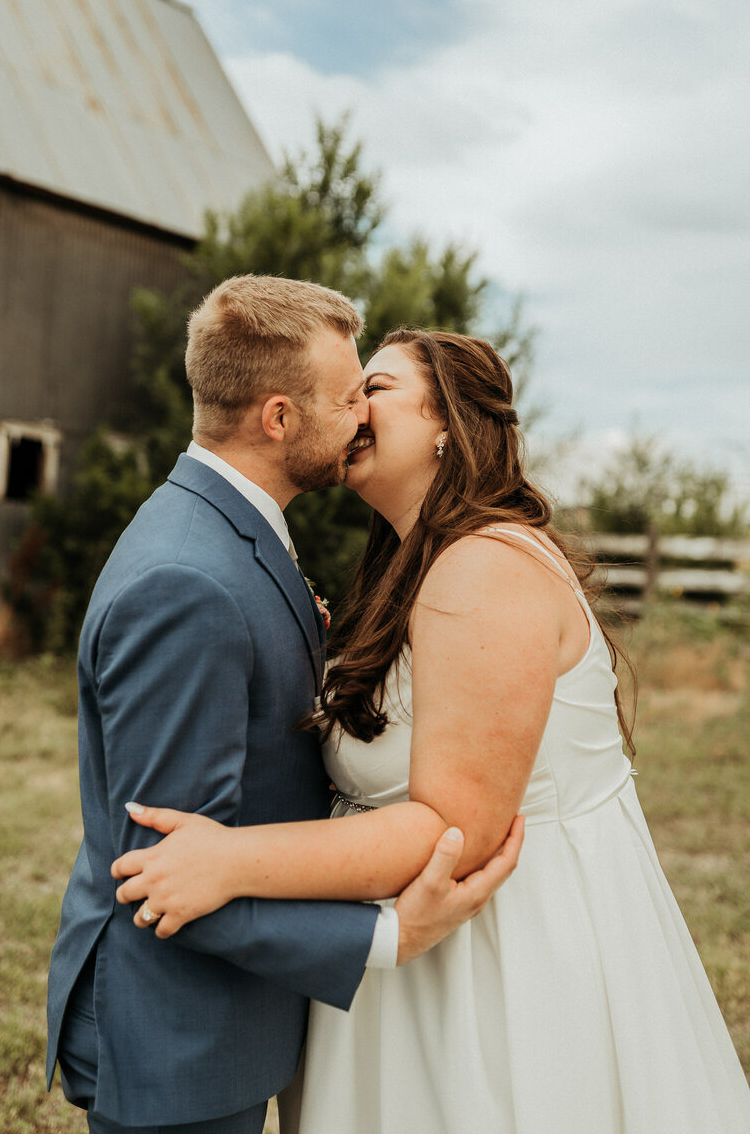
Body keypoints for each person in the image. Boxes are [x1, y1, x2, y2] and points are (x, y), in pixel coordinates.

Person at [113, 328, 750, 1134]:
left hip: (507, 966)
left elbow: (456, 825)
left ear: (448, 420)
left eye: (371, 387)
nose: (349, 409)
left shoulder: (485, 564)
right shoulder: (408, 566)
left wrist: (228, 861)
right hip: (411, 961)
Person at [46, 279, 523, 1134]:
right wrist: (385, 938)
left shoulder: (229, 530)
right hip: (177, 1041)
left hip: (223, 1021)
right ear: (277, 418)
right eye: (347, 399)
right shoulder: (188, 584)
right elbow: (164, 872)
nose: (361, 418)